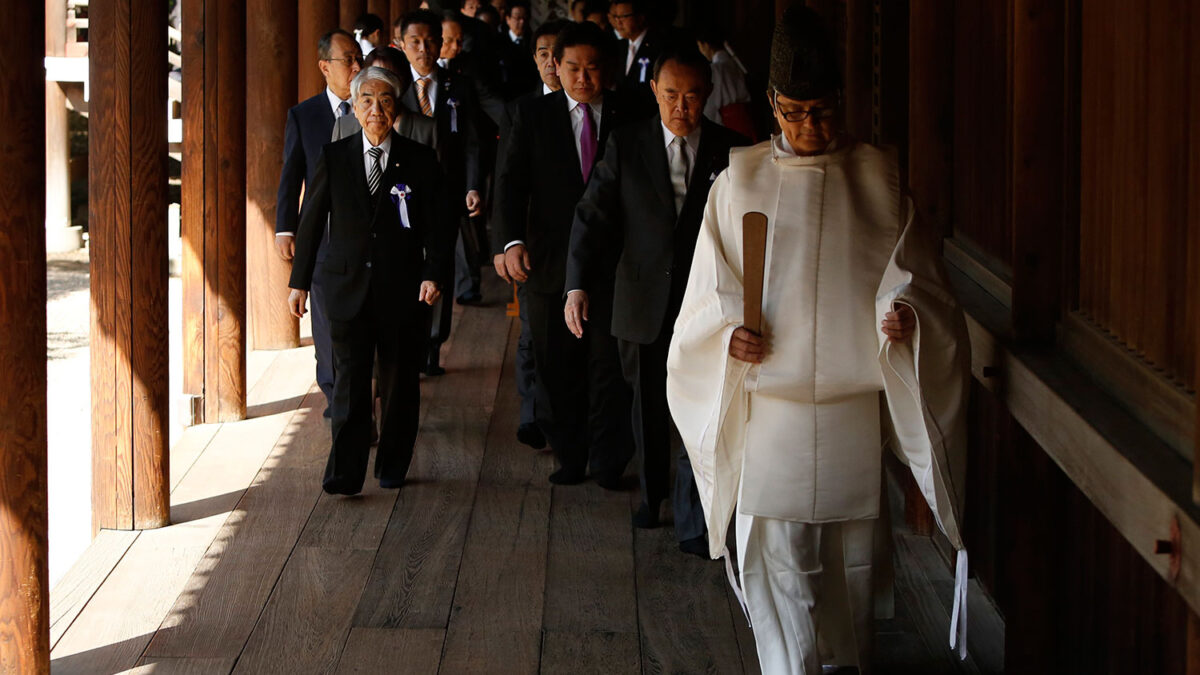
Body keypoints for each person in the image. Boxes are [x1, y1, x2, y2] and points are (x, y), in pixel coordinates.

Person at [665, 6, 972, 673]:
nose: (810, 128)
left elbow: (918, 281)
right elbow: (705, 301)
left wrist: (905, 317)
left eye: (824, 112)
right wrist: (729, 337)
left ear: (844, 105)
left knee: (848, 570)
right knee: (777, 562)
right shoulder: (738, 181)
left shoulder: (879, 180)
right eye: (795, 113)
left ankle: (840, 661)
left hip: (850, 411)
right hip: (773, 412)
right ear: (772, 106)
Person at [565, 46, 748, 556]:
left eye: (692, 97)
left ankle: (694, 518)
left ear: (708, 95)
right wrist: (576, 284)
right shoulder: (626, 143)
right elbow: (592, 215)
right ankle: (652, 494)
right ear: (654, 91)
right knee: (645, 402)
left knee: (703, 407)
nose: (681, 108)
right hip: (641, 296)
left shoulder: (732, 152)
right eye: (671, 95)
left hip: (708, 303)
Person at [287, 66, 453, 496]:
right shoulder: (334, 156)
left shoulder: (419, 158)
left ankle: (393, 465)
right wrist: (298, 282)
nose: (375, 109)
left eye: (384, 101)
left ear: (396, 108)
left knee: (399, 385)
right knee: (350, 386)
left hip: (403, 290)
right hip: (346, 288)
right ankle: (345, 473)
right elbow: (310, 221)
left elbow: (439, 224)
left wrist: (433, 272)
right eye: (367, 101)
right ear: (355, 108)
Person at [493, 21, 633, 486]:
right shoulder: (533, 115)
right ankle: (571, 456)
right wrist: (510, 241)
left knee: (608, 365)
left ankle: (611, 461)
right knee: (556, 364)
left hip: (615, 260)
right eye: (572, 67)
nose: (582, 78)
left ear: (607, 70)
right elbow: (510, 184)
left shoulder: (631, 113)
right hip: (548, 260)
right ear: (555, 65)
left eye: (592, 68)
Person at [275, 29, 363, 420]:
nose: (357, 67)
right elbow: (291, 175)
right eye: (349, 60)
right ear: (325, 66)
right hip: (323, 236)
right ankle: (335, 397)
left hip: (364, 236)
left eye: (359, 58)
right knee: (325, 323)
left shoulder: (372, 109)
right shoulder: (304, 115)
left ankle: (359, 393)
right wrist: (285, 227)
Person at [398, 9, 485, 374]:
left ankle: (433, 345)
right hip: (401, 193)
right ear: (401, 44)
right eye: (414, 42)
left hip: (446, 193)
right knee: (405, 265)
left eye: (430, 41)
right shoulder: (394, 86)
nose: (423, 49)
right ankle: (406, 342)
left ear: (441, 43)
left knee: (441, 265)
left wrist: (473, 185)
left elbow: (472, 142)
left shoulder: (457, 86)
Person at [695, 23, 754, 140]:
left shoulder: (715, 69)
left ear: (706, 45)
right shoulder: (736, 64)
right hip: (745, 120)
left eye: (700, 46)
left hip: (728, 122)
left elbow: (711, 107)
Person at [608, 0, 661, 116]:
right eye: (616, 17)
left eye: (624, 17)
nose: (618, 22)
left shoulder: (657, 45)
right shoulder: (621, 46)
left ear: (640, 17)